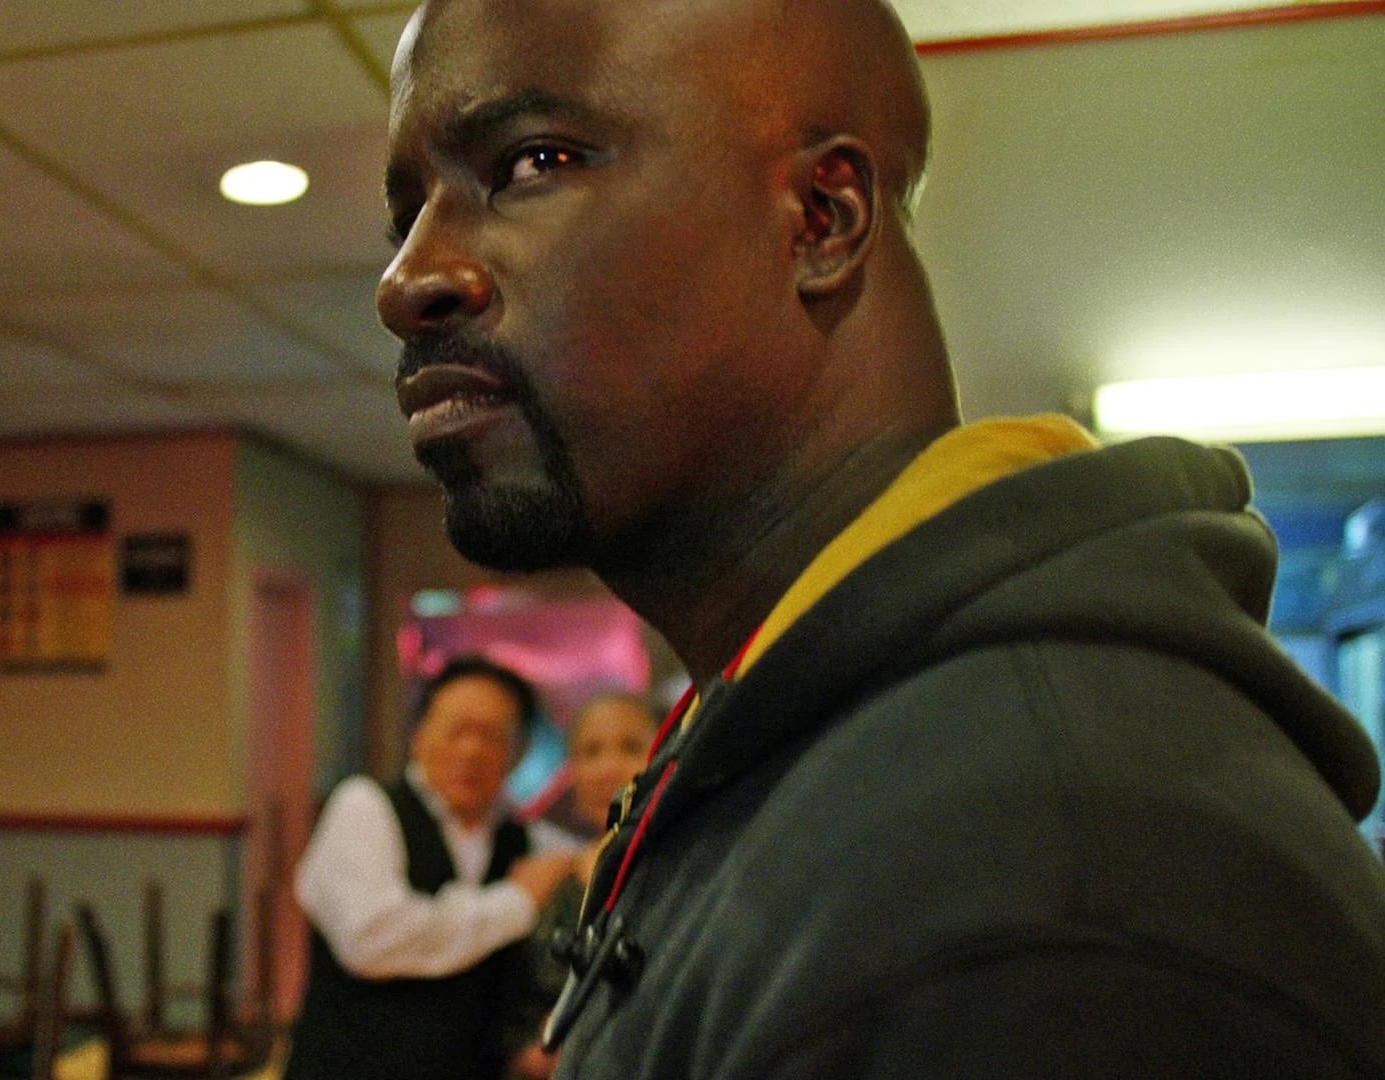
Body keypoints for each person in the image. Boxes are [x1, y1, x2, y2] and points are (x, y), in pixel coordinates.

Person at [378, 0, 1385, 1076]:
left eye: (533, 163)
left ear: (823, 219)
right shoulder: (820, 755)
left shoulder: (1035, 887)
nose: (406, 281)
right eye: (405, 215)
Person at [284, 654, 580, 1080]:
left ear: (519, 752)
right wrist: (514, 903)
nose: (471, 750)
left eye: (492, 735)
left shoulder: (526, 839)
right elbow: (372, 937)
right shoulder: (365, 807)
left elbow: (585, 866)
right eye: (457, 729)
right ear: (418, 734)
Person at [507, 692, 657, 1080]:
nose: (609, 768)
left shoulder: (683, 869)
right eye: (591, 752)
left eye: (630, 747)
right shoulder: (551, 876)